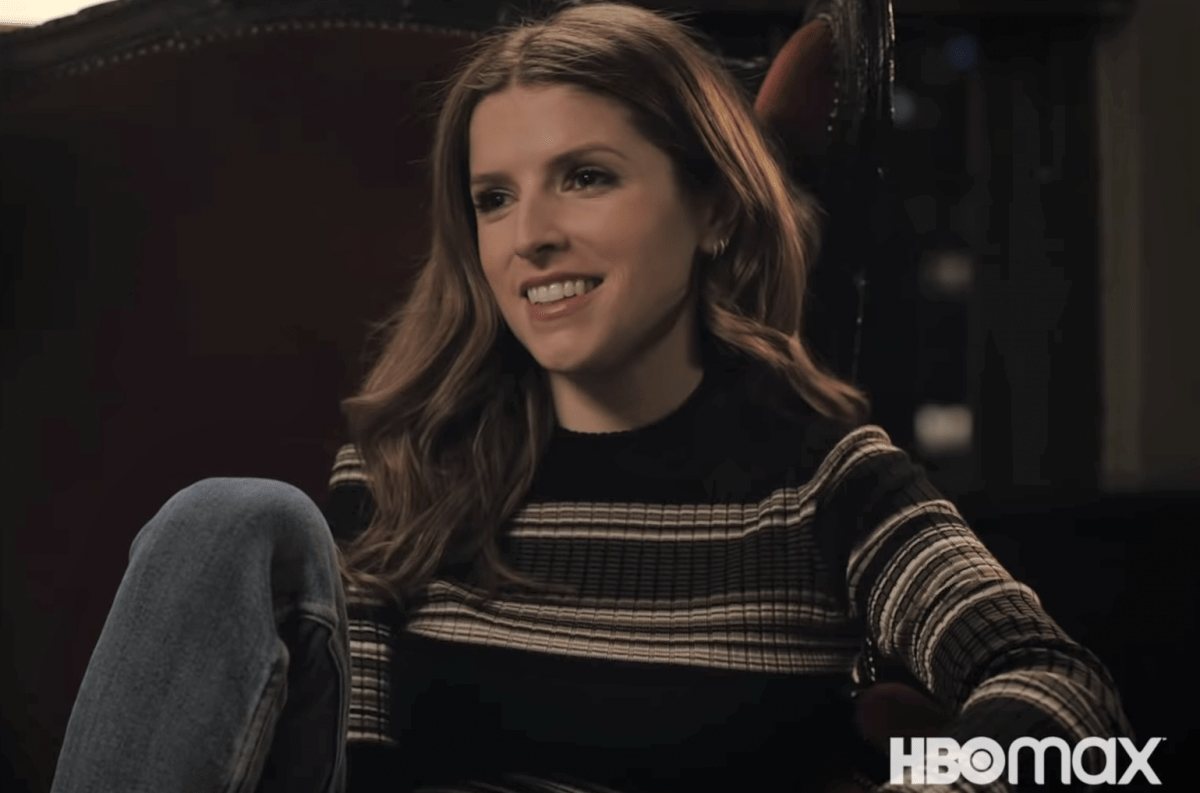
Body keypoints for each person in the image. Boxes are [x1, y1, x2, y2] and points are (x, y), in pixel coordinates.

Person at [51, 2, 1135, 793]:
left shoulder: (826, 475)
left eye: (586, 176)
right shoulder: (408, 466)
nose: (530, 237)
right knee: (229, 516)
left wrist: (936, 779)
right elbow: (354, 762)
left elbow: (1068, 703)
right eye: (493, 198)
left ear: (714, 210)